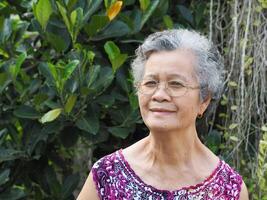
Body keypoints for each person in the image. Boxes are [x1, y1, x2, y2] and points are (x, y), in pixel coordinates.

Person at [77, 29, 249, 200]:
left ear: (204, 100)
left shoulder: (229, 189)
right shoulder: (107, 176)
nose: (159, 95)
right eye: (150, 83)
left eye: (176, 84)